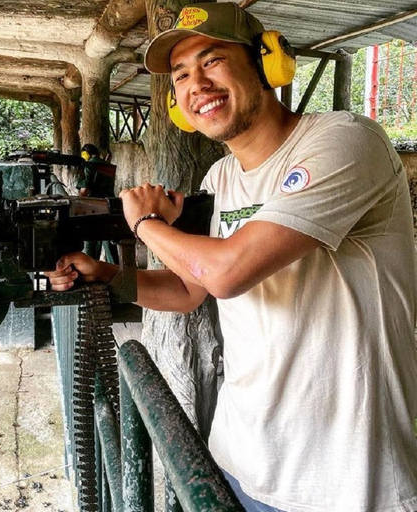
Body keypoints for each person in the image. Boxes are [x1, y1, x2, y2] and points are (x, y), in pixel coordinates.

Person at [47, 3, 417, 511]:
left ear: (267, 65)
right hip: (242, 461)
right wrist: (106, 273)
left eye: (213, 60)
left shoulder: (345, 141)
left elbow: (226, 272)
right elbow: (187, 290)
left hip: (348, 479)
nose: (197, 83)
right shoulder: (219, 179)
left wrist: (145, 223)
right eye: (181, 75)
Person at [77, 143, 119, 263]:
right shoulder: (109, 166)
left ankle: (91, 272)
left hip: (93, 208)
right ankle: (116, 273)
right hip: (110, 206)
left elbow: (84, 191)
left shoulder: (88, 166)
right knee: (110, 244)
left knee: (91, 243)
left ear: (85, 154)